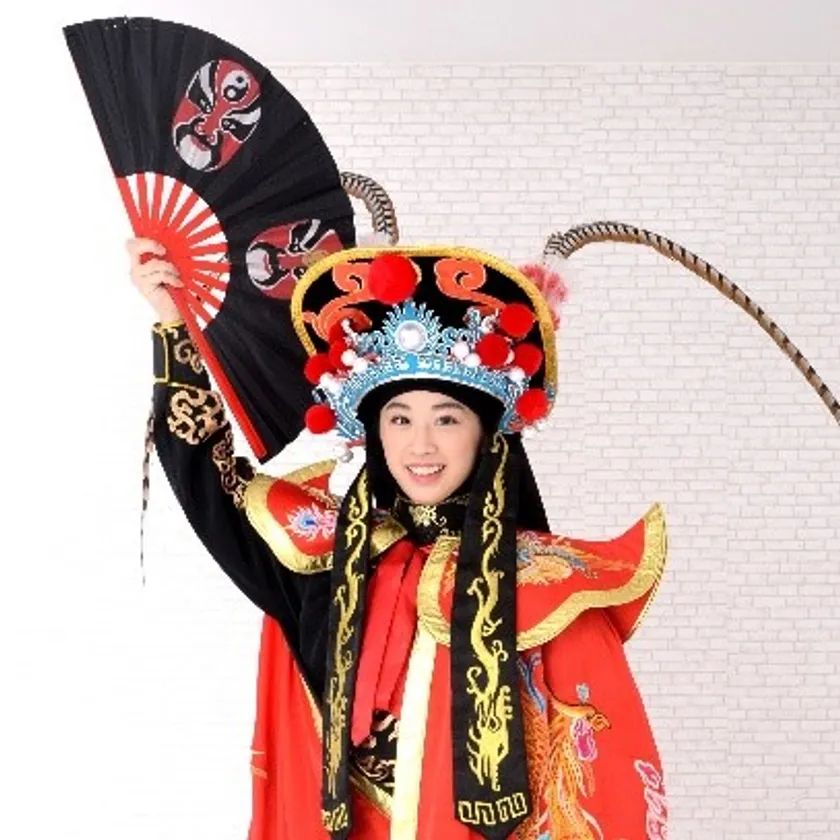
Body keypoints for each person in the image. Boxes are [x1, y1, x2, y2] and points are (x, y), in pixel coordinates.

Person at [130, 235, 669, 840]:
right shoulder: (328, 558)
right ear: (375, 432)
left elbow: (605, 796)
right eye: (400, 418)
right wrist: (174, 326)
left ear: (487, 436)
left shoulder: (547, 592)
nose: (421, 445)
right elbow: (213, 488)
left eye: (447, 419)